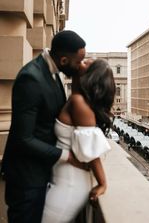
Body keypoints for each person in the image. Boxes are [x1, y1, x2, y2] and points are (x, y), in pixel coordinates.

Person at [1, 30, 88, 223]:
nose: (80, 66)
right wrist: (67, 157)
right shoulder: (31, 78)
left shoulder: (54, 71)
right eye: (78, 62)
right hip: (26, 178)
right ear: (64, 60)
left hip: (41, 172)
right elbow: (23, 138)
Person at [41, 59, 116, 222]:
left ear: (90, 76)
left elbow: (92, 152)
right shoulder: (76, 98)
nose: (82, 61)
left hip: (69, 186)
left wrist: (102, 183)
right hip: (63, 180)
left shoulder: (79, 103)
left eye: (87, 63)